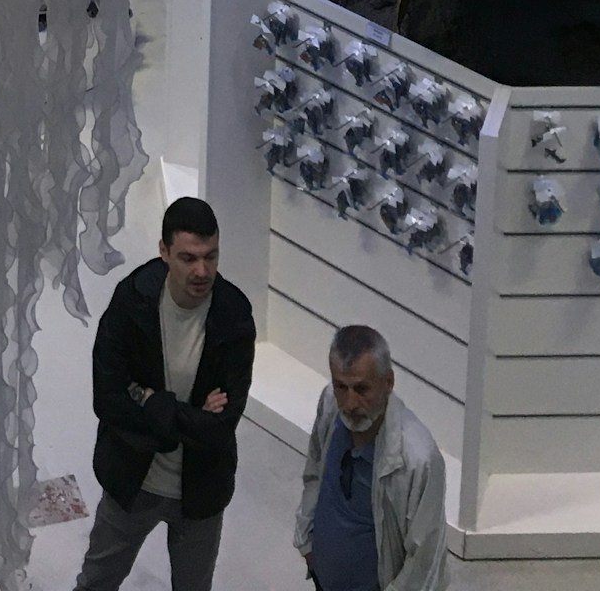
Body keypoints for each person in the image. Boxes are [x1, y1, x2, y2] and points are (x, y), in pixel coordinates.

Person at [75, 196, 254, 591]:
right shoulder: (132, 299)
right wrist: (189, 415)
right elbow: (106, 397)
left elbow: (221, 426)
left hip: (200, 495)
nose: (202, 271)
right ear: (163, 252)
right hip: (132, 482)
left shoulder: (234, 316)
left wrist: (150, 399)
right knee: (95, 583)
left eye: (211, 256)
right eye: (189, 258)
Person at [295, 325, 446, 591]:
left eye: (361, 389)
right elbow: (314, 471)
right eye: (341, 386)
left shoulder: (418, 459)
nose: (350, 403)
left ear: (388, 382)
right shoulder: (331, 403)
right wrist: (307, 541)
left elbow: (424, 561)